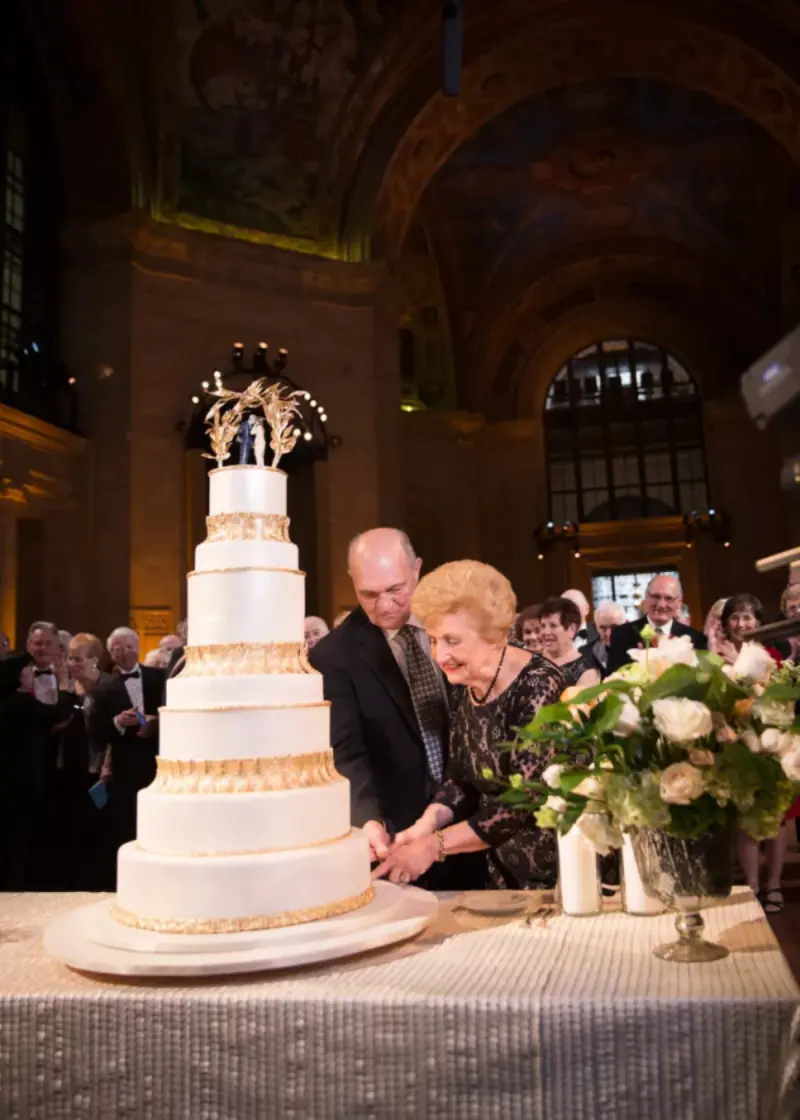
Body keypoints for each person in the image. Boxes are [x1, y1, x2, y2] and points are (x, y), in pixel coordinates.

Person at [372, 560, 564, 890]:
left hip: (556, 878)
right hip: (500, 876)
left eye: (452, 640)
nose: (440, 655)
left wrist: (435, 847)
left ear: (493, 637)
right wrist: (424, 827)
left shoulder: (538, 687)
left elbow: (520, 803)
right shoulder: (466, 684)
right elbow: (460, 778)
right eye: (433, 640)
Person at [309, 528, 481, 888]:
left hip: (476, 820)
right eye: (368, 594)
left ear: (417, 570)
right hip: (399, 838)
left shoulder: (458, 626)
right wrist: (367, 819)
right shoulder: (333, 656)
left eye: (395, 590)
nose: (384, 605)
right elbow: (345, 753)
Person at [719, 594, 797, 914]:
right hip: (735, 746)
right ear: (726, 623)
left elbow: (783, 701)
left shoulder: (774, 657)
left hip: (774, 744)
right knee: (745, 822)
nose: (741, 624)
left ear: (760, 623)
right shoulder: (717, 655)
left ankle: (774, 884)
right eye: (735, 617)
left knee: (778, 821)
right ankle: (751, 887)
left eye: (748, 618)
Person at [89, 627, 164, 854]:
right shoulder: (102, 687)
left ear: (138, 648)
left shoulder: (159, 677)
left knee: (158, 821)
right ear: (111, 654)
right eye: (117, 648)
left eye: (129, 646)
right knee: (127, 826)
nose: (124, 652)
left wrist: (156, 722)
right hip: (125, 768)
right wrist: (118, 722)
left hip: (159, 762)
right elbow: (96, 730)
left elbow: (174, 711)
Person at [604, 575, 707, 676]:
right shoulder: (621, 635)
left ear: (679, 603)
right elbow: (613, 679)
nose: (661, 605)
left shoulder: (695, 639)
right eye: (656, 597)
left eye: (668, 598)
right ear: (646, 597)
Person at [539, 596, 601, 687]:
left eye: (553, 626)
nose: (546, 632)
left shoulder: (586, 671)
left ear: (572, 629)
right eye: (543, 626)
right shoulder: (533, 660)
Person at [591, 601, 625, 673]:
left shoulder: (640, 651)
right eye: (603, 628)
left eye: (614, 627)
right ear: (595, 627)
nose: (608, 634)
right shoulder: (585, 654)